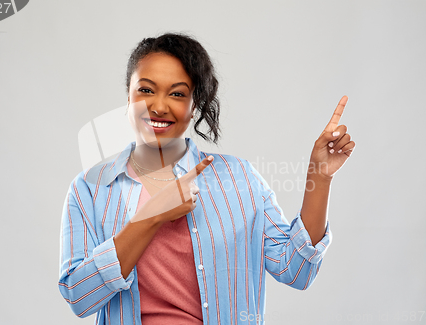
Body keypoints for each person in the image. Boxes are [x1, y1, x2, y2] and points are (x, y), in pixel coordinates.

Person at [58, 32, 355, 325]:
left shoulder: (241, 179)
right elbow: (79, 297)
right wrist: (150, 217)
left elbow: (297, 270)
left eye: (177, 93)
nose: (159, 106)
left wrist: (320, 175)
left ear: (194, 105)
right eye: (146, 90)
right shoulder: (90, 189)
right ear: (128, 97)